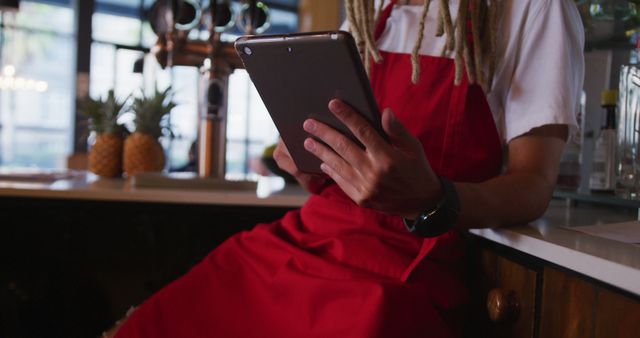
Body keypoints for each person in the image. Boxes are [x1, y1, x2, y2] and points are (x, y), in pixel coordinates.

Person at [108, 0, 584, 337]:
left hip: (406, 263)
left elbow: (534, 184)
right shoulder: (370, 11)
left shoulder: (532, 8)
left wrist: (434, 198)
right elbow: (343, 169)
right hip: (306, 238)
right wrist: (310, 163)